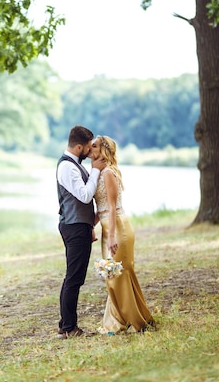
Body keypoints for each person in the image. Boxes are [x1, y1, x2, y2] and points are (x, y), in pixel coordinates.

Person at [92, 135, 155, 335]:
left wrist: (111, 237)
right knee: (112, 274)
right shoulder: (99, 172)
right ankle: (121, 318)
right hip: (106, 227)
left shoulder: (108, 173)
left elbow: (111, 207)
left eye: (93, 146)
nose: (89, 149)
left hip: (117, 228)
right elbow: (100, 208)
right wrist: (90, 226)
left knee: (118, 274)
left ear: (102, 150)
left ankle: (132, 320)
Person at [56, 125, 107, 339]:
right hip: (74, 227)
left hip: (80, 226)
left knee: (74, 278)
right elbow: (85, 196)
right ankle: (68, 327)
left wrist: (90, 225)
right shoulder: (68, 167)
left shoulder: (74, 165)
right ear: (78, 146)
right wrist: (96, 170)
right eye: (88, 147)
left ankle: (66, 326)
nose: (90, 151)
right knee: (74, 279)